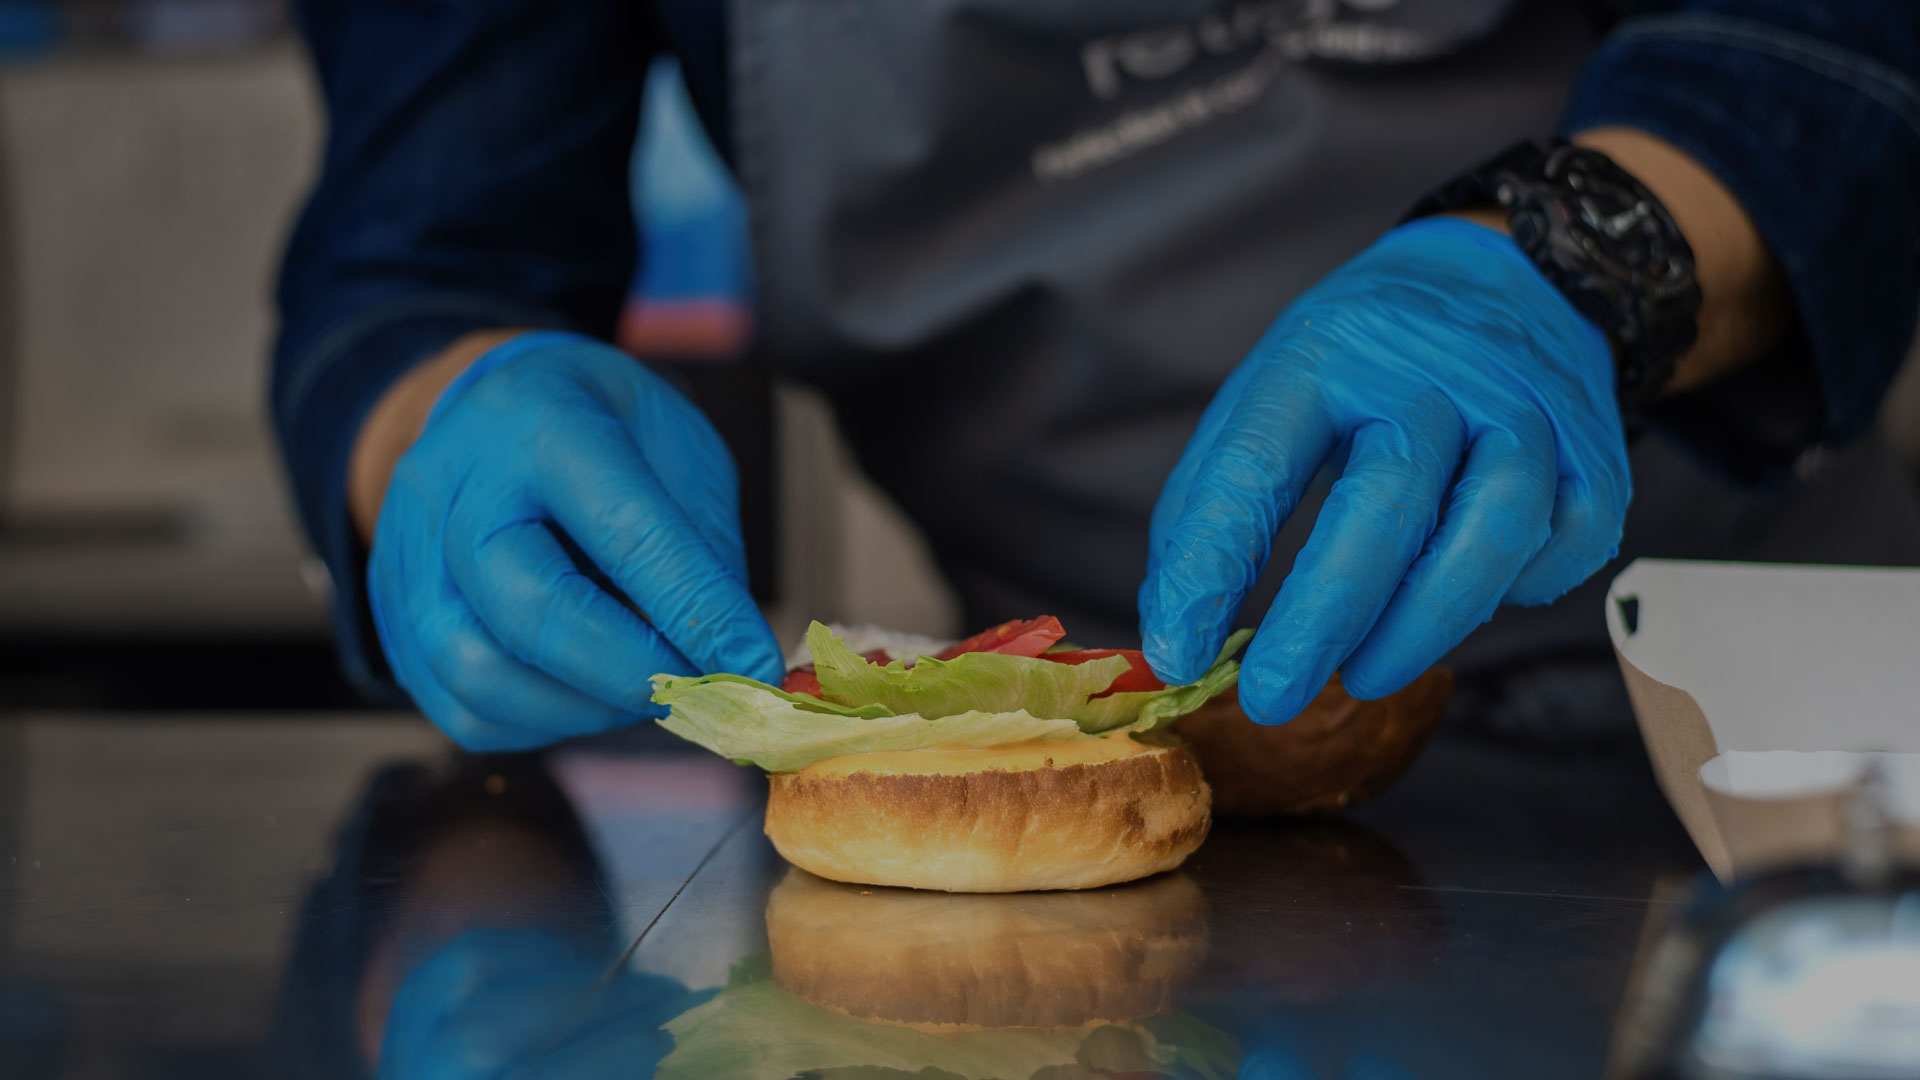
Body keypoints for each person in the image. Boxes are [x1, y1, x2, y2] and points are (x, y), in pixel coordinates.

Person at [272, 0, 1920, 750]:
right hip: (1111, 749)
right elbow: (424, 252)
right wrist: (439, 419)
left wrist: (1572, 262)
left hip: (1765, 709)